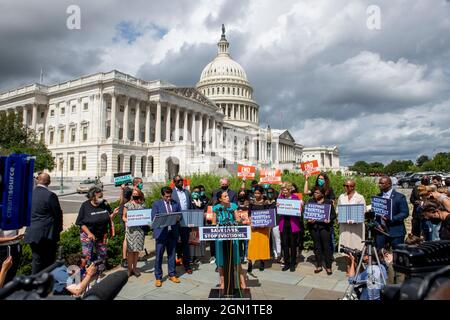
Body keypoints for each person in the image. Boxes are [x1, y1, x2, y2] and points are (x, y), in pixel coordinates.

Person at [24, 173, 63, 274]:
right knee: (48, 262)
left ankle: (34, 284)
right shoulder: (50, 195)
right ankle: (45, 285)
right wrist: (58, 232)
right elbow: (58, 215)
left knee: (36, 261)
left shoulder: (29, 194)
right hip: (47, 235)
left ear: (37, 180)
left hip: (32, 233)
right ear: (49, 182)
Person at [212, 190, 246, 289]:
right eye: (225, 196)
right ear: (220, 199)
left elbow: (237, 219)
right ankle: (222, 283)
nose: (228, 198)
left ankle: (242, 282)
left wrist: (241, 218)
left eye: (227, 196)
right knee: (221, 261)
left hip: (233, 235)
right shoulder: (216, 208)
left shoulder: (233, 206)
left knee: (236, 260)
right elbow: (214, 222)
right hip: (220, 236)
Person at [75, 186, 113, 273]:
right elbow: (81, 223)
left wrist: (113, 214)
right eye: (99, 197)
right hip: (88, 235)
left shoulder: (104, 203)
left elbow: (109, 217)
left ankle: (100, 274)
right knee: (87, 257)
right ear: (92, 197)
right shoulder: (85, 206)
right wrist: (89, 233)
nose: (101, 198)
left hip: (102, 234)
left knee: (102, 255)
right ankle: (87, 275)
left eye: (102, 196)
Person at [151, 187, 182, 287]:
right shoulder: (156, 204)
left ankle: (172, 274)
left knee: (172, 255)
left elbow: (180, 215)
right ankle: (158, 277)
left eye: (170, 196)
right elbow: (154, 218)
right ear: (162, 195)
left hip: (172, 233)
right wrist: (164, 220)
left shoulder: (175, 203)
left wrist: (177, 218)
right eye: (166, 196)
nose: (169, 198)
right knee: (159, 256)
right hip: (161, 234)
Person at [306, 187, 336, 275]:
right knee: (317, 247)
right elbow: (307, 214)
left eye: (317, 193)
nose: (315, 194)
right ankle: (319, 265)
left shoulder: (328, 202)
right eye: (314, 192)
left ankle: (328, 266)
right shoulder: (311, 201)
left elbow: (333, 215)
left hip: (325, 227)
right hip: (314, 227)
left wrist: (329, 219)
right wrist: (309, 219)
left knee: (326, 247)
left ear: (322, 194)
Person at [375, 176, 409, 250]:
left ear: (389, 184)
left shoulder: (399, 197)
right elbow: (376, 214)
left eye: (382, 183)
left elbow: (405, 213)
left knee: (398, 254)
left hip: (396, 231)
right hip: (381, 232)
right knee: (380, 254)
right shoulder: (378, 196)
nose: (379, 185)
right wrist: (377, 224)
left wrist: (391, 218)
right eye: (379, 183)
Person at [117, 177, 144, 268]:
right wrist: (123, 190)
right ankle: (124, 259)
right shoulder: (129, 191)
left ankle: (135, 255)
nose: (142, 184)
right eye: (141, 183)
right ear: (136, 183)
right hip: (128, 216)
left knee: (136, 236)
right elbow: (122, 202)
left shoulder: (140, 193)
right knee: (127, 236)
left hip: (137, 218)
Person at [171, 175, 194, 274]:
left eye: (182, 180)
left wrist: (192, 221)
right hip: (175, 221)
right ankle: (173, 265)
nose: (181, 182)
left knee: (185, 243)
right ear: (174, 182)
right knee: (174, 243)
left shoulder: (187, 192)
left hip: (186, 221)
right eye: (178, 181)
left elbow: (191, 206)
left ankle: (187, 265)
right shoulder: (171, 192)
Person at [278, 182, 302, 272]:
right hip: (284, 223)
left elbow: (299, 211)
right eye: (282, 189)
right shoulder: (280, 198)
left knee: (293, 244)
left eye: (285, 189)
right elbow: (279, 211)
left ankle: (292, 263)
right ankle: (286, 263)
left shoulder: (295, 198)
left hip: (293, 224)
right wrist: (278, 206)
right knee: (285, 244)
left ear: (289, 190)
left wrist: (300, 207)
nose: (283, 191)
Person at [123, 189, 146, 277]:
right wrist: (128, 221)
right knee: (130, 251)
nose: (135, 195)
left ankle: (135, 268)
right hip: (131, 231)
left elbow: (145, 216)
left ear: (140, 195)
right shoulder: (127, 205)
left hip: (139, 231)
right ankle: (129, 269)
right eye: (134, 194)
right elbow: (123, 217)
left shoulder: (142, 205)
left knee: (136, 251)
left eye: (137, 194)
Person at [337, 180, 366, 251]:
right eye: (344, 185)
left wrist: (354, 219)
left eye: (347, 186)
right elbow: (338, 209)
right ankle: (348, 259)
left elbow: (363, 211)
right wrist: (340, 217)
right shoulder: (341, 197)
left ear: (353, 187)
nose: (345, 187)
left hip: (356, 225)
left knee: (355, 243)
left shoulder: (360, 197)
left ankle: (355, 260)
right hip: (344, 224)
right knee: (345, 243)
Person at [247, 186, 271, 273]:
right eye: (255, 193)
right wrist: (250, 222)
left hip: (263, 228)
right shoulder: (252, 202)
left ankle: (262, 262)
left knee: (262, 244)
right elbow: (249, 214)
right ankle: (250, 262)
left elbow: (269, 215)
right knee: (251, 245)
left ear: (261, 193)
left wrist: (265, 224)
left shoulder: (266, 203)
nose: (256, 195)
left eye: (258, 193)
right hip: (253, 227)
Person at [190, 185, 208, 263]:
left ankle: (197, 256)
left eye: (198, 192)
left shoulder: (202, 200)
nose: (196, 193)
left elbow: (205, 210)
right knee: (192, 240)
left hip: (200, 222)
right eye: (195, 192)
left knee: (199, 240)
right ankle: (191, 257)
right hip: (192, 223)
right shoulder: (190, 200)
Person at [267, 187, 281, 262]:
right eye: (268, 192)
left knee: (277, 238)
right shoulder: (265, 202)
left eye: (271, 192)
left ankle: (279, 254)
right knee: (271, 239)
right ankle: (274, 253)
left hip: (276, 222)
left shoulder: (277, 201)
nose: (270, 194)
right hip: (268, 223)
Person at [237, 188, 250, 264]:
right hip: (239, 224)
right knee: (239, 241)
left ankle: (246, 256)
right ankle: (240, 255)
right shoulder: (235, 203)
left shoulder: (248, 202)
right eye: (240, 193)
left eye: (243, 193)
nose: (242, 195)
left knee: (246, 242)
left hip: (246, 224)